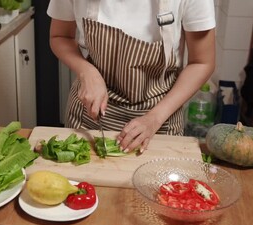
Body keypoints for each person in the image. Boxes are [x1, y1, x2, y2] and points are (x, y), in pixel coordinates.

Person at [47, 0, 216, 153]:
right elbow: (60, 36)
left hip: (161, 119)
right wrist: (86, 71)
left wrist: (154, 118)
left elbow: (202, 62)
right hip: (91, 117)